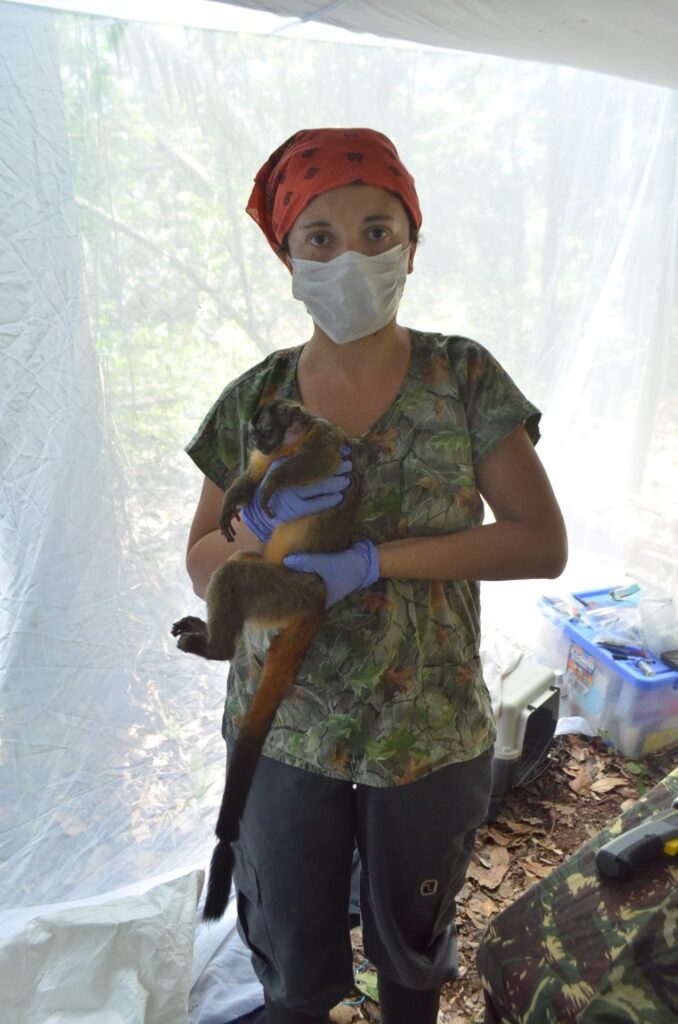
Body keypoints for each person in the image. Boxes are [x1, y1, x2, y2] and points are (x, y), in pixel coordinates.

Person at [183, 127, 568, 1024]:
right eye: (320, 236)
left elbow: (538, 541)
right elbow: (201, 552)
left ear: (411, 245)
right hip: (285, 731)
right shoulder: (255, 399)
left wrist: (373, 563)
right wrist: (252, 538)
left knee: (412, 957)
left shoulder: (462, 377)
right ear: (289, 257)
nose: (350, 255)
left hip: (423, 727)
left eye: (375, 230)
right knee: (293, 964)